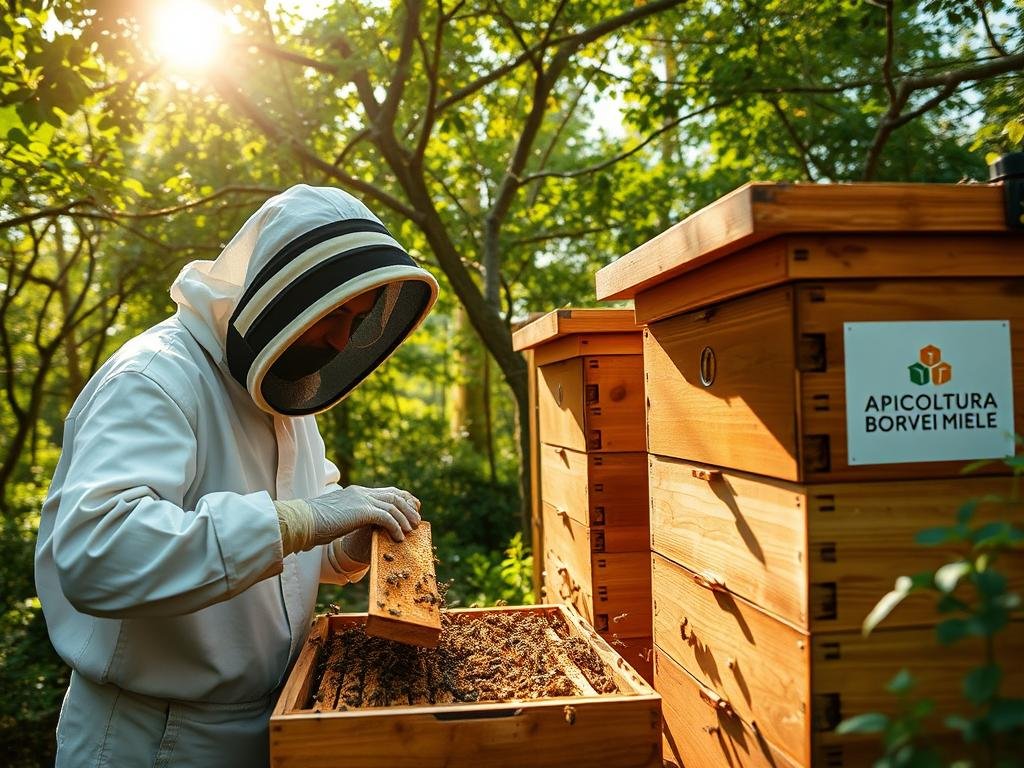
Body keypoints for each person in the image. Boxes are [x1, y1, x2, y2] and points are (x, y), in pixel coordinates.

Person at [34, 184, 439, 766]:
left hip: (270, 721)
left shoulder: (279, 396)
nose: (341, 340)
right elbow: (100, 553)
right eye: (332, 315)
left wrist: (348, 542)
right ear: (281, 295)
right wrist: (307, 519)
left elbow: (293, 549)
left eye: (357, 319)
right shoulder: (153, 378)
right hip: (154, 739)